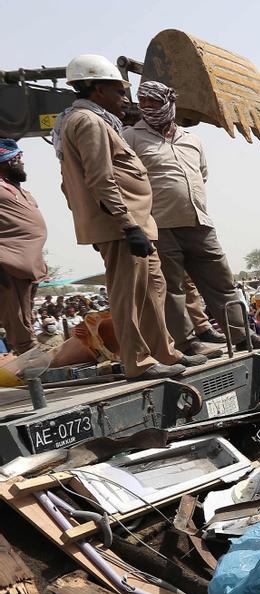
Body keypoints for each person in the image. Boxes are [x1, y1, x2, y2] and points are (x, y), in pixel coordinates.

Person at [53, 54, 202, 379]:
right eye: (118, 91)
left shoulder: (99, 121)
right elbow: (100, 177)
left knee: (153, 289)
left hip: (135, 224)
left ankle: (164, 351)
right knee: (129, 295)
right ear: (96, 89)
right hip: (122, 226)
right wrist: (127, 223)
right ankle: (138, 362)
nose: (125, 98)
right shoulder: (88, 122)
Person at [123, 81, 260, 353]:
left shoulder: (192, 140)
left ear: (168, 102)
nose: (148, 109)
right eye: (143, 104)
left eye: (154, 103)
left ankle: (242, 337)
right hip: (160, 226)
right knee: (172, 290)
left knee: (223, 284)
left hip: (200, 223)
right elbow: (127, 180)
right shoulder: (131, 137)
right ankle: (187, 343)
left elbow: (201, 175)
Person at [0, 139, 49, 354]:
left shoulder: (17, 189)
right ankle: (31, 371)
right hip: (8, 264)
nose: (22, 164)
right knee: (17, 319)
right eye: (19, 160)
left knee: (27, 318)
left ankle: (32, 365)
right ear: (8, 161)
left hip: (29, 266)